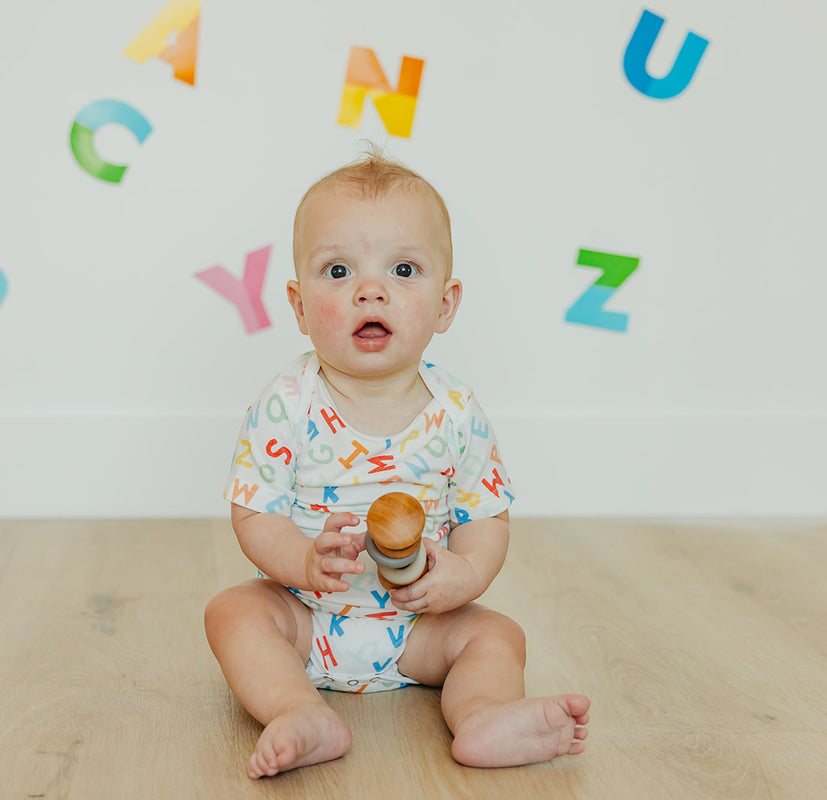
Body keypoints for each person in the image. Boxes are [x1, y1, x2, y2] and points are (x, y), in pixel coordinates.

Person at [204, 151, 590, 779]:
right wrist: (303, 562)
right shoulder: (286, 401)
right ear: (299, 308)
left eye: (403, 269)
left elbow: (486, 517)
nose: (371, 289)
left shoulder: (457, 411)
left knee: (497, 635)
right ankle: (298, 709)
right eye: (338, 270)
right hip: (309, 617)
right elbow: (254, 513)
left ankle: (486, 714)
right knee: (233, 612)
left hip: (419, 627)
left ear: (445, 305)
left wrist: (462, 576)